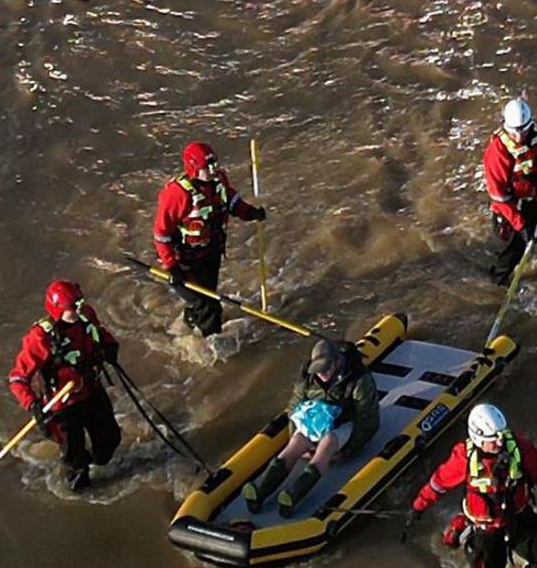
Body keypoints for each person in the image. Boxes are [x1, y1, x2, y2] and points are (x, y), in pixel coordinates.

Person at [410, 401, 537, 568]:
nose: (500, 442)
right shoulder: (463, 458)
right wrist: (419, 506)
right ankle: (463, 529)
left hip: (519, 519)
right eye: (493, 439)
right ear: (477, 437)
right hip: (485, 530)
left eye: (502, 436)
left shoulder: (521, 449)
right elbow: (439, 483)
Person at [7, 279, 125, 491]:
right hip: (63, 406)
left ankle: (92, 458)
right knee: (75, 464)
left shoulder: (86, 316)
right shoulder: (41, 338)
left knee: (109, 442)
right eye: (73, 307)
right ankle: (79, 481)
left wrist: (109, 346)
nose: (79, 309)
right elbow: (18, 379)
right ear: (58, 309)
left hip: (91, 391)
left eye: (80, 303)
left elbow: (99, 333)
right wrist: (32, 405)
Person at [151, 140, 264, 336]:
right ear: (194, 168)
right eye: (207, 166)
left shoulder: (219, 181)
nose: (214, 169)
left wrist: (250, 212)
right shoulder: (177, 194)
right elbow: (162, 233)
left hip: (210, 253)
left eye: (214, 164)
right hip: (185, 262)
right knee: (209, 308)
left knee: (206, 296)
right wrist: (172, 266)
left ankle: (191, 320)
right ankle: (212, 345)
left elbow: (231, 201)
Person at [253, 334, 374, 511]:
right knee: (294, 444)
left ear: (337, 362)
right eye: (318, 370)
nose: (321, 374)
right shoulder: (308, 378)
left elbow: (368, 420)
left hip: (344, 423)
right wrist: (295, 433)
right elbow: (294, 406)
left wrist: (348, 450)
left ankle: (293, 496)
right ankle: (261, 492)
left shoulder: (358, 380)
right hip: (316, 421)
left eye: (325, 369)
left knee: (326, 445)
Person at [479, 97, 537, 284]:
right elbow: (499, 196)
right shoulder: (497, 153)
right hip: (510, 209)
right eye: (515, 131)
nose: (519, 136)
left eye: (523, 129)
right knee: (511, 254)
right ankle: (498, 286)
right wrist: (520, 225)